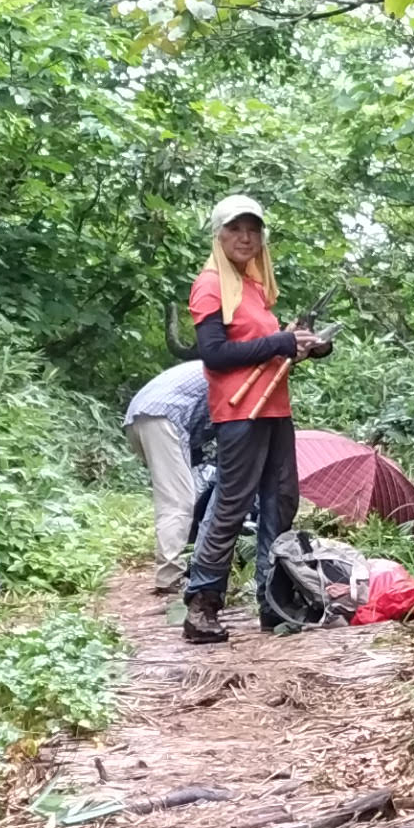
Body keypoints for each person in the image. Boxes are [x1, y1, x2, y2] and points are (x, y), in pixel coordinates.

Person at [180, 191, 331, 645]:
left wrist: (307, 346)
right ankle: (202, 604)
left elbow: (266, 351)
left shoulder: (254, 285)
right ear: (219, 234)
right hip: (238, 412)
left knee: (280, 500)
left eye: (253, 230)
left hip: (274, 407)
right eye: (235, 229)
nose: (245, 237)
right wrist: (279, 343)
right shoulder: (210, 284)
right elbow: (214, 353)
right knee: (232, 503)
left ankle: (274, 602)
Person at [123, 359, 214, 591]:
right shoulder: (237, 372)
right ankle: (170, 575)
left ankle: (177, 560)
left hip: (140, 416)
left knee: (174, 495)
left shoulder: (215, 363)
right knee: (177, 501)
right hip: (163, 416)